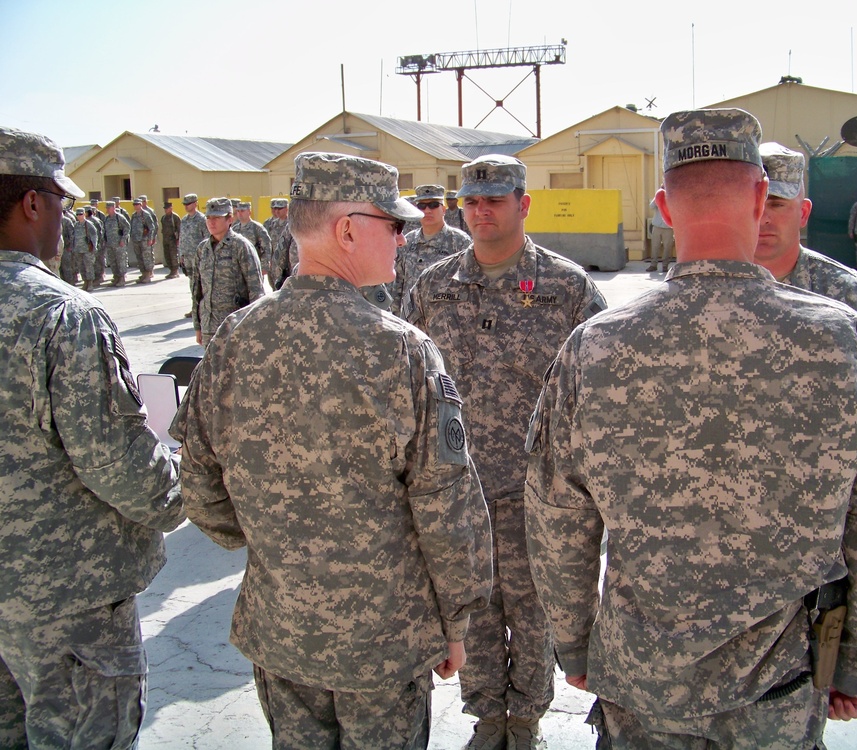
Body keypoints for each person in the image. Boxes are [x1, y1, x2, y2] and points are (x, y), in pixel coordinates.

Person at [523, 108, 857, 748]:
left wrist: (574, 645)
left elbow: (556, 520)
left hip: (643, 687)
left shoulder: (593, 348)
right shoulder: (842, 341)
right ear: (762, 197)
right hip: (781, 690)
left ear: (663, 208)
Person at [170, 152, 492, 749]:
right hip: (383, 645)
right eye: (392, 225)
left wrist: (274, 549)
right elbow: (448, 510)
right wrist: (457, 621)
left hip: (283, 631)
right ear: (347, 229)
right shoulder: (402, 352)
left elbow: (200, 485)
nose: (402, 237)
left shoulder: (232, 340)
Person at [404, 154, 607, 750]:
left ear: (524, 204)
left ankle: (526, 723)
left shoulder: (567, 289)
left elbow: (596, 395)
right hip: (457, 492)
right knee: (475, 612)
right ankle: (487, 720)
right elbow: (406, 389)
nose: (481, 210)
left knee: (536, 612)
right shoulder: (433, 287)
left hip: (537, 495)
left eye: (495, 199)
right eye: (471, 201)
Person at [0, 125, 184, 749]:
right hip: (65, 601)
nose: (63, 218)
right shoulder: (60, 313)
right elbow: (118, 465)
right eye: (60, 203)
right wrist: (182, 477)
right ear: (32, 203)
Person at [756, 143, 857, 383]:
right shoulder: (711, 292)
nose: (763, 218)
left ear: (803, 213)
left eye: (777, 204)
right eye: (754, 204)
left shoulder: (852, 295)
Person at [190, 197, 265, 345]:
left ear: (230, 218)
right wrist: (198, 326)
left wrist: (255, 327)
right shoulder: (202, 249)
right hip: (209, 326)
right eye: (209, 218)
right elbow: (196, 291)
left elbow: (256, 290)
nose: (211, 222)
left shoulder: (241, 246)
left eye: (217, 217)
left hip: (235, 327)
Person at [391, 184, 470, 314]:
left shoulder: (460, 241)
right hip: (411, 318)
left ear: (443, 210)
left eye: (433, 205)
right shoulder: (408, 241)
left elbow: (469, 285)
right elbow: (397, 283)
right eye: (422, 206)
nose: (427, 210)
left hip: (446, 320)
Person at [179, 193, 209, 318]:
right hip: (187, 257)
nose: (186, 206)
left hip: (199, 257)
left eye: (188, 204)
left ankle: (204, 309)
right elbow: (181, 238)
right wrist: (180, 255)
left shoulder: (202, 219)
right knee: (193, 284)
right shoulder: (184, 220)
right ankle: (195, 308)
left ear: (196, 203)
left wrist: (205, 255)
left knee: (202, 283)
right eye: (185, 204)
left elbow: (207, 238)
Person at [233, 200, 272, 274]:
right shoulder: (234, 229)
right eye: (238, 211)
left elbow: (266, 247)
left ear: (249, 212)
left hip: (253, 267)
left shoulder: (257, 228)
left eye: (242, 211)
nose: (240, 213)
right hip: (238, 268)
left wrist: (264, 266)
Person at [103, 198, 130, 286]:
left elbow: (127, 228)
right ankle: (116, 278)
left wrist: (123, 239)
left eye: (109, 208)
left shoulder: (119, 217)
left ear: (113, 208)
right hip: (110, 244)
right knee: (113, 262)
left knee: (120, 262)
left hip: (119, 244)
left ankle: (122, 279)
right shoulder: (106, 219)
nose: (107, 209)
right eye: (106, 208)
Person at [129, 197, 156, 283]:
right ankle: (143, 274)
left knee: (146, 258)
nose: (136, 206)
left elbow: (152, 227)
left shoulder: (146, 214)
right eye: (135, 204)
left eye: (138, 204)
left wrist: (150, 238)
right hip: (136, 240)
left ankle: (148, 275)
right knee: (139, 258)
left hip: (145, 240)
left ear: (141, 205)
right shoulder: (133, 215)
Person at [72, 206, 99, 290]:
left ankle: (90, 283)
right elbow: (73, 237)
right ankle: (85, 282)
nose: (79, 216)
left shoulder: (89, 224)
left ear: (84, 214)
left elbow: (94, 235)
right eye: (77, 214)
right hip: (78, 249)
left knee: (89, 266)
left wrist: (94, 246)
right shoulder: (76, 225)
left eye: (81, 214)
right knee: (81, 266)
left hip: (87, 249)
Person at [647, 196, 674, 272]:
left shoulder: (672, 196)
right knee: (655, 246)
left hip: (668, 227)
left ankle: (665, 265)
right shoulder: (659, 196)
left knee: (667, 247)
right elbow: (651, 206)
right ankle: (653, 265)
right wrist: (658, 197)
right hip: (657, 226)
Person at [161, 201, 182, 278]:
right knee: (167, 255)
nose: (166, 210)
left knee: (173, 256)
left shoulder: (175, 217)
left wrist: (178, 239)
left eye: (167, 208)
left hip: (173, 240)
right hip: (165, 239)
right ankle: (171, 270)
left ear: (171, 208)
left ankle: (175, 271)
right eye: (165, 209)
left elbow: (179, 229)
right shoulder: (163, 218)